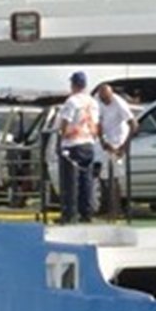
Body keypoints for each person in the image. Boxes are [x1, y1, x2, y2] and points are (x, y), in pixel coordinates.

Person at [55, 71, 99, 223]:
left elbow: (65, 122)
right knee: (86, 180)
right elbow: (96, 124)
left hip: (73, 144)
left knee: (70, 181)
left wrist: (62, 135)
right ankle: (87, 213)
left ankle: (69, 214)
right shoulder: (93, 102)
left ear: (73, 85)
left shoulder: (72, 101)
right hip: (89, 143)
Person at [96, 83, 138, 217]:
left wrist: (123, 147)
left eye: (106, 99)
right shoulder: (98, 101)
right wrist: (103, 141)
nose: (105, 101)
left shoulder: (119, 103)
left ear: (111, 94)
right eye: (102, 99)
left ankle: (117, 210)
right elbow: (98, 123)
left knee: (115, 178)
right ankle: (109, 209)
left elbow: (133, 124)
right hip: (107, 143)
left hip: (119, 142)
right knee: (105, 177)